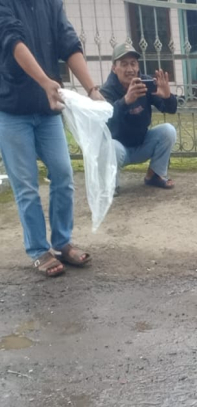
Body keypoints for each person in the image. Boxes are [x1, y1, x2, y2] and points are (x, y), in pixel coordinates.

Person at [0, 0, 103, 277]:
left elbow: (68, 42)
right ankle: (38, 250)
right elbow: (13, 40)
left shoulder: (51, 3)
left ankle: (62, 242)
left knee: (63, 174)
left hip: (47, 110)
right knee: (26, 185)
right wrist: (45, 81)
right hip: (11, 109)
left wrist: (91, 89)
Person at [100, 43, 178, 192]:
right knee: (110, 146)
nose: (130, 69)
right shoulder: (106, 91)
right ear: (114, 68)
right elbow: (106, 121)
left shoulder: (145, 83)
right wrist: (125, 102)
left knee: (168, 131)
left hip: (142, 144)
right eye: (124, 64)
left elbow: (171, 109)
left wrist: (168, 97)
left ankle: (155, 175)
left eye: (133, 64)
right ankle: (111, 185)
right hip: (119, 149)